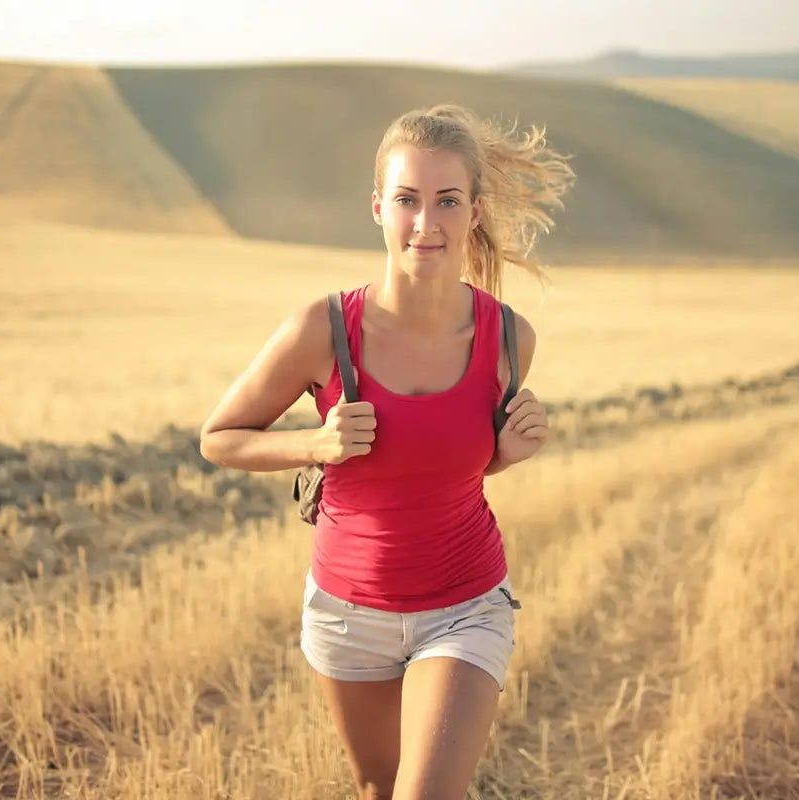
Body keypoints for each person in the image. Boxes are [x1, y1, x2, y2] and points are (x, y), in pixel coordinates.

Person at [198, 103, 576, 799]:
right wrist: (315, 443)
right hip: (348, 612)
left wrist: (506, 455)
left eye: (447, 201)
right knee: (378, 788)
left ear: (474, 211)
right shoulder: (323, 329)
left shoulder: (508, 340)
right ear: (377, 206)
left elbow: (443, 471)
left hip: (465, 606)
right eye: (407, 200)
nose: (426, 224)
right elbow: (218, 438)